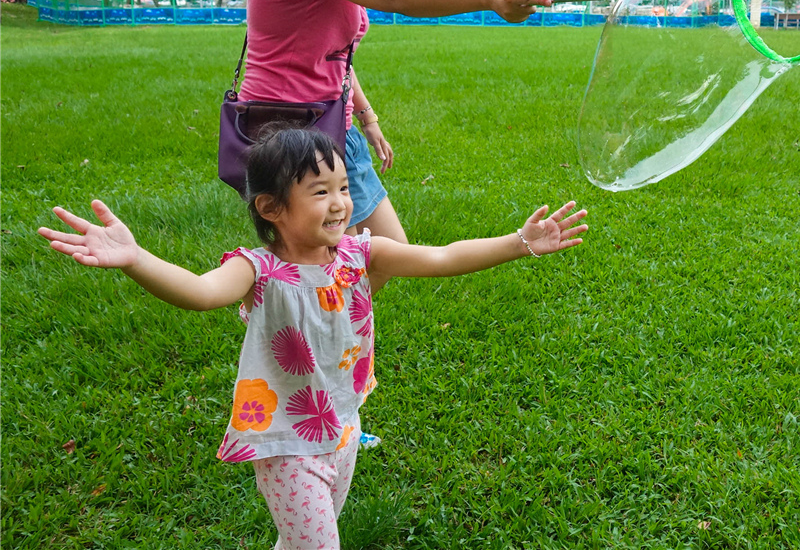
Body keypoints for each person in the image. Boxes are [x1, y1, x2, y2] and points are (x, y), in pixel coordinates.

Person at [38, 128, 587, 550]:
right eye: (319, 191)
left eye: (344, 187)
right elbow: (200, 293)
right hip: (285, 442)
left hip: (342, 426)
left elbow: (442, 256)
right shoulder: (258, 270)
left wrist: (519, 243)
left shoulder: (362, 253)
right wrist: (136, 259)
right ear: (272, 209)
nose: (341, 203)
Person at [241, 0, 552, 294]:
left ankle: (322, 325)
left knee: (379, 256)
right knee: (336, 271)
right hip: (299, 135)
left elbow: (332, 54)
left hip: (329, 121)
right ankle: (302, 331)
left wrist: (366, 116)